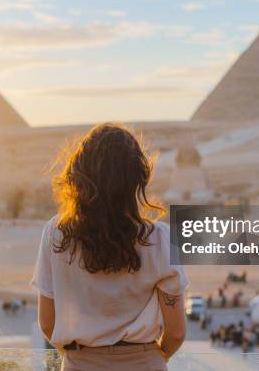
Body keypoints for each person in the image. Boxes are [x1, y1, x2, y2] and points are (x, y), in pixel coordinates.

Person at [31, 123, 187, 371]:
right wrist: (153, 358)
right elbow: (176, 333)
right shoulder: (161, 239)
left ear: (78, 173)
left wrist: (79, 356)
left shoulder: (56, 233)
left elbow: (48, 323)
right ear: (138, 176)